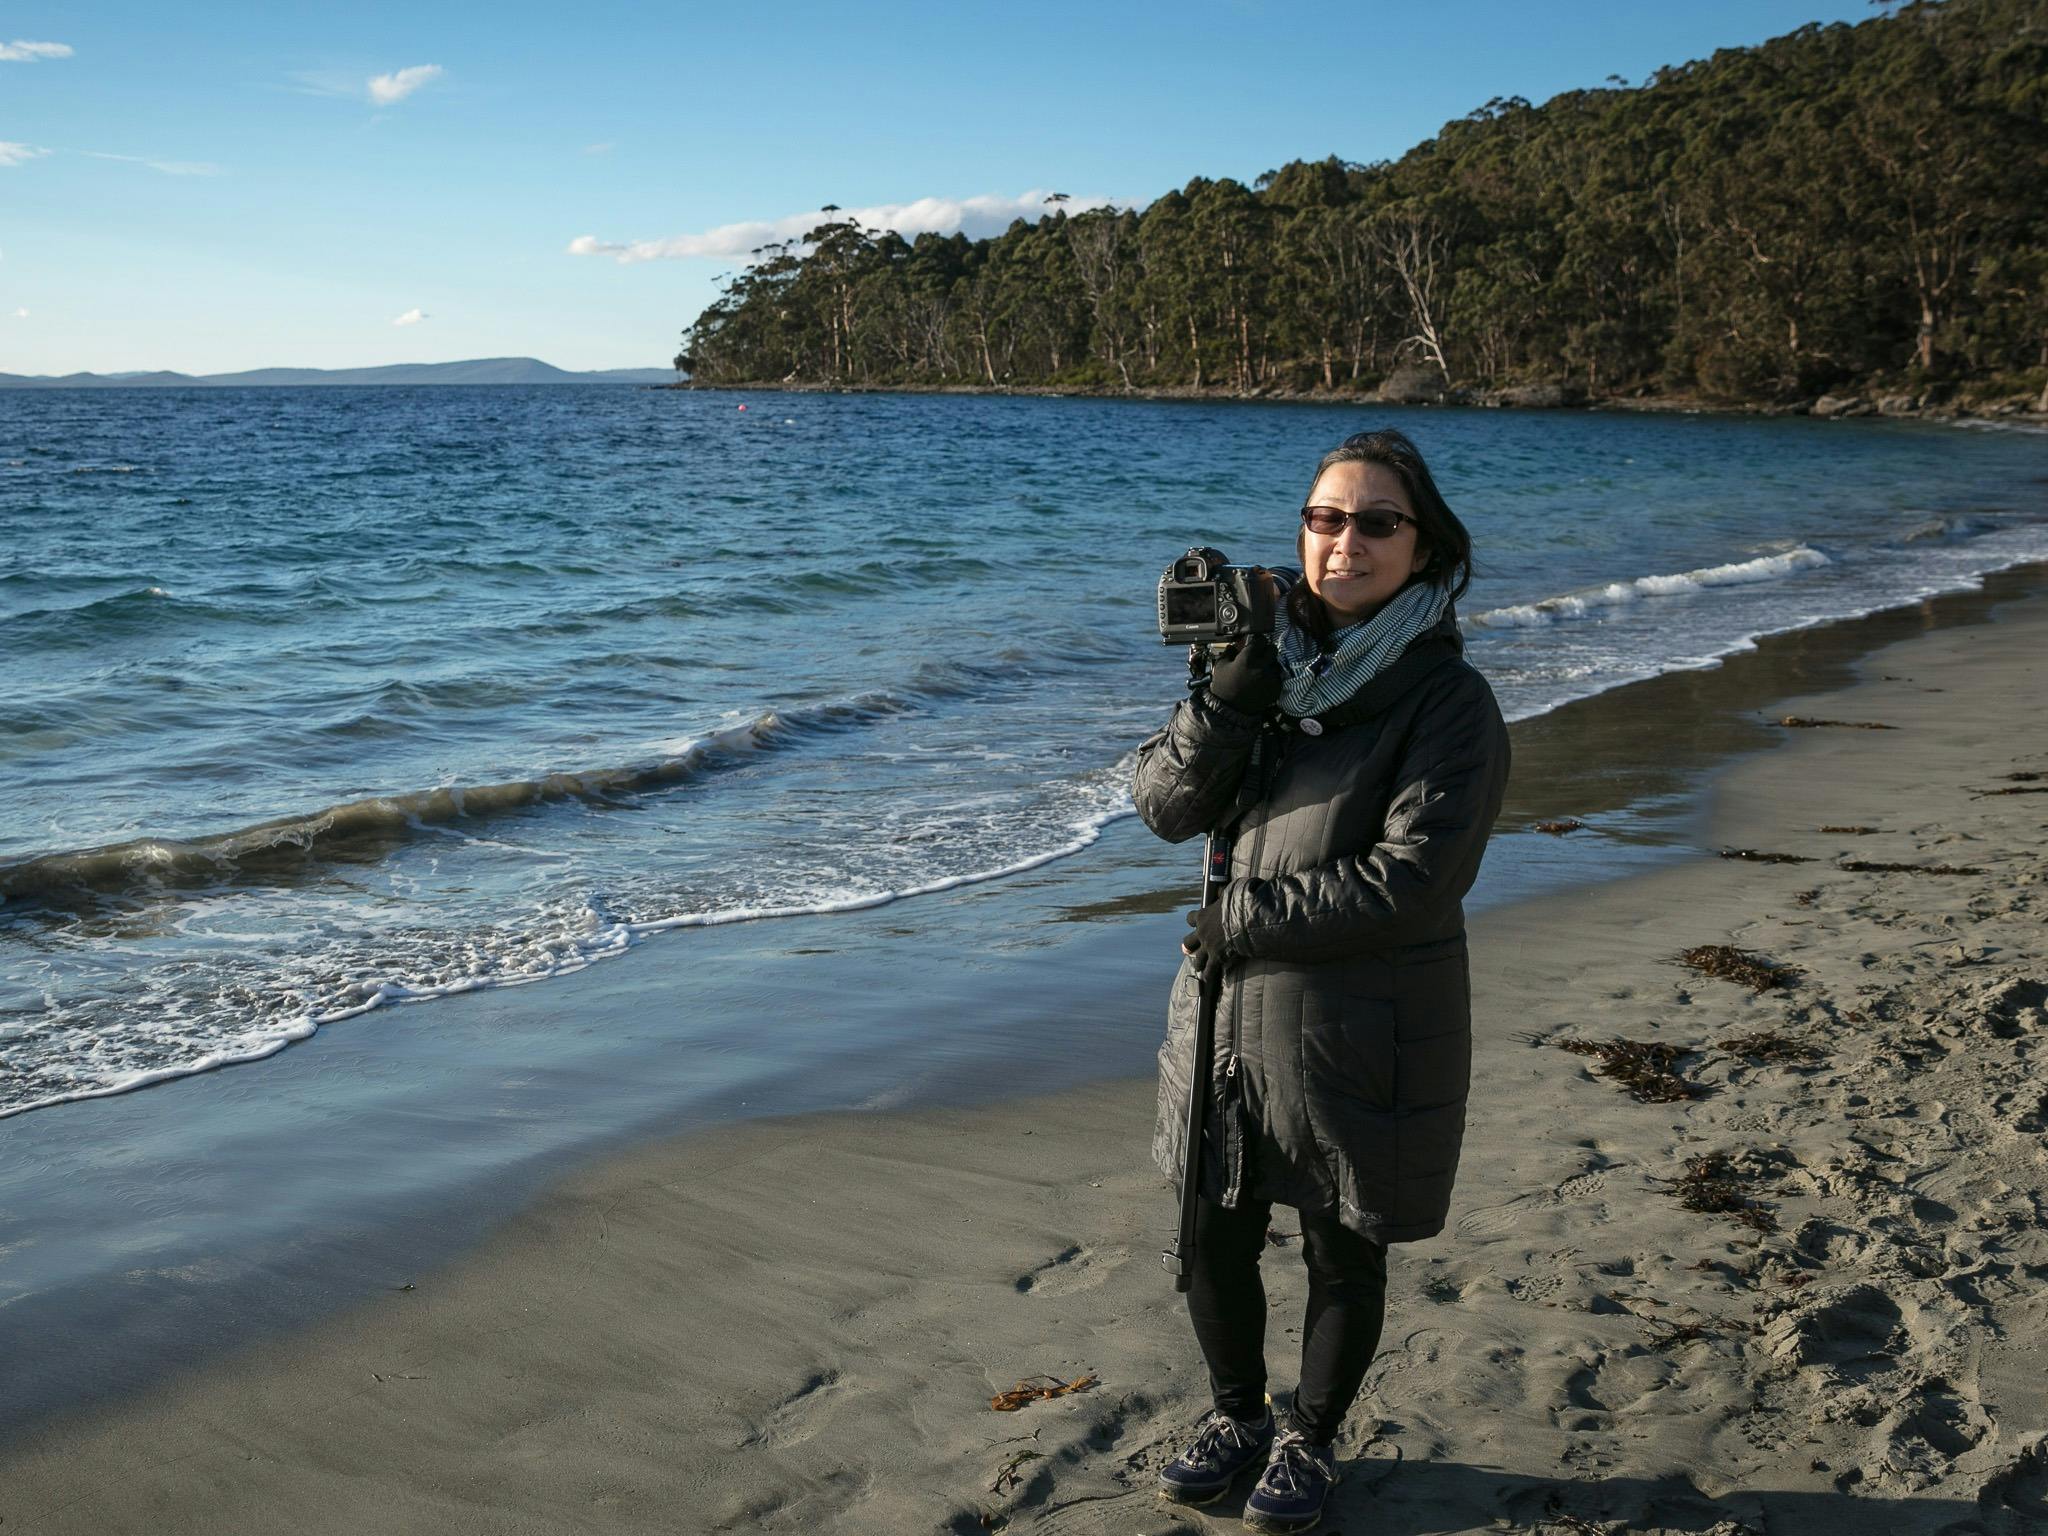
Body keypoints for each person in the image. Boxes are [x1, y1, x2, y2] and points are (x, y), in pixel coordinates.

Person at [1133, 428, 1510, 1533]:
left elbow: (1414, 880)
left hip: (1362, 1017)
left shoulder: (1448, 703)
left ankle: (1308, 1437)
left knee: (1341, 1242)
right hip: (1220, 1011)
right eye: (1323, 518)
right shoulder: (1254, 662)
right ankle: (1236, 1417)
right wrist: (1227, 703)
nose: (1343, 541)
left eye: (1374, 522)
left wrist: (1238, 919)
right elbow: (1161, 808)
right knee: (1211, 1231)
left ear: (1423, 544)